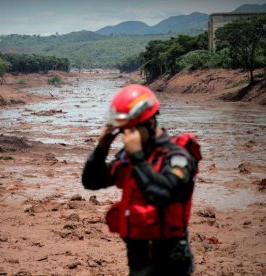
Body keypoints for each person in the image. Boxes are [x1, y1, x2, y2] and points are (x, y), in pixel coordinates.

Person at [82, 84, 199, 275]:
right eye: (123, 131)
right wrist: (101, 147)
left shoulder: (178, 157)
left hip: (169, 261)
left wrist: (137, 156)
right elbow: (92, 181)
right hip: (138, 256)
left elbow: (164, 194)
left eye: (131, 130)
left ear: (150, 123)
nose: (126, 137)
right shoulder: (130, 157)